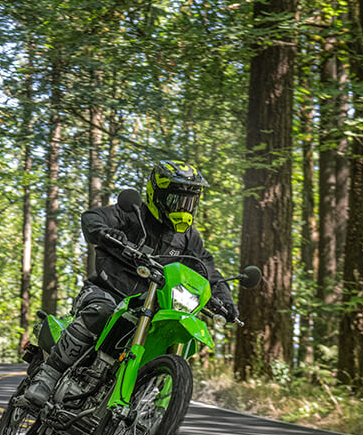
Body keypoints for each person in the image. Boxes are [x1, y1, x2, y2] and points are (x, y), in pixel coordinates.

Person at [23, 160, 239, 409]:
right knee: (102, 311)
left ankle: (146, 407)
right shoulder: (132, 213)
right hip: (107, 290)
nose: (183, 208)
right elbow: (92, 218)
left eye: (188, 202)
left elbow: (209, 272)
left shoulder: (189, 238)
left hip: (151, 305)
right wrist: (108, 233)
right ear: (157, 195)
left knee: (164, 333)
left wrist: (226, 301)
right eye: (176, 200)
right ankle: (48, 376)